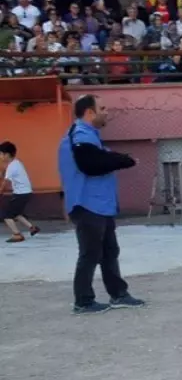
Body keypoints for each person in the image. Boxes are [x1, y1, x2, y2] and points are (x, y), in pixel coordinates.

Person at [58, 94, 145, 315]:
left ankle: (119, 294)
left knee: (109, 251)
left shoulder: (90, 136)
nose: (107, 111)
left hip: (99, 205)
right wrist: (124, 161)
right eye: (102, 108)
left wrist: (123, 158)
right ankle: (84, 301)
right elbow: (92, 164)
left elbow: (104, 156)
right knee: (90, 253)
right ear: (89, 112)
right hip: (87, 204)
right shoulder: (79, 136)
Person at [0, 141, 40, 243]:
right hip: (25, 192)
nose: (0, 156)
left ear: (7, 154)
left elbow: (5, 183)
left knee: (6, 215)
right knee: (16, 213)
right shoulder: (17, 163)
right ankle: (32, 228)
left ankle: (17, 234)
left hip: (21, 194)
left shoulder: (11, 167)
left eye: (1, 154)